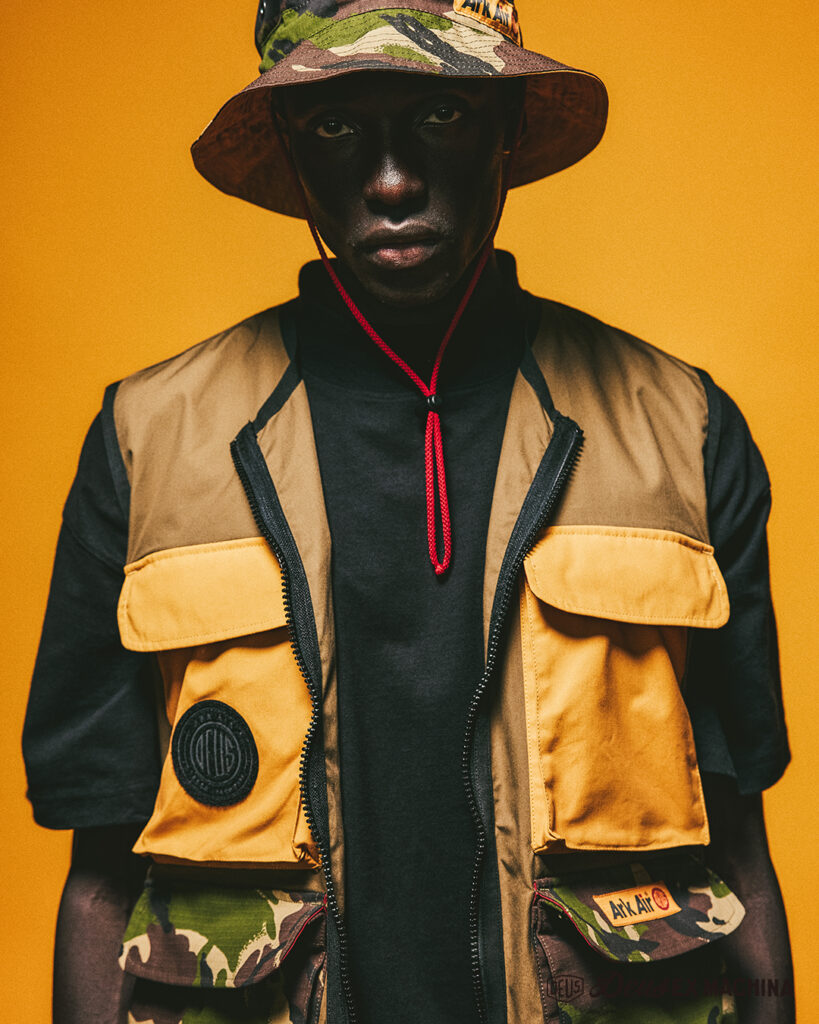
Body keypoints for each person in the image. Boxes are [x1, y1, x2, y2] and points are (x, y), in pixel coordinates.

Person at [23, 2, 794, 1022]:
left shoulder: (679, 429)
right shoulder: (147, 440)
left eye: (440, 114)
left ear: (508, 128)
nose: (391, 180)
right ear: (291, 151)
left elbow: (736, 847)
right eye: (338, 125)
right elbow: (101, 875)